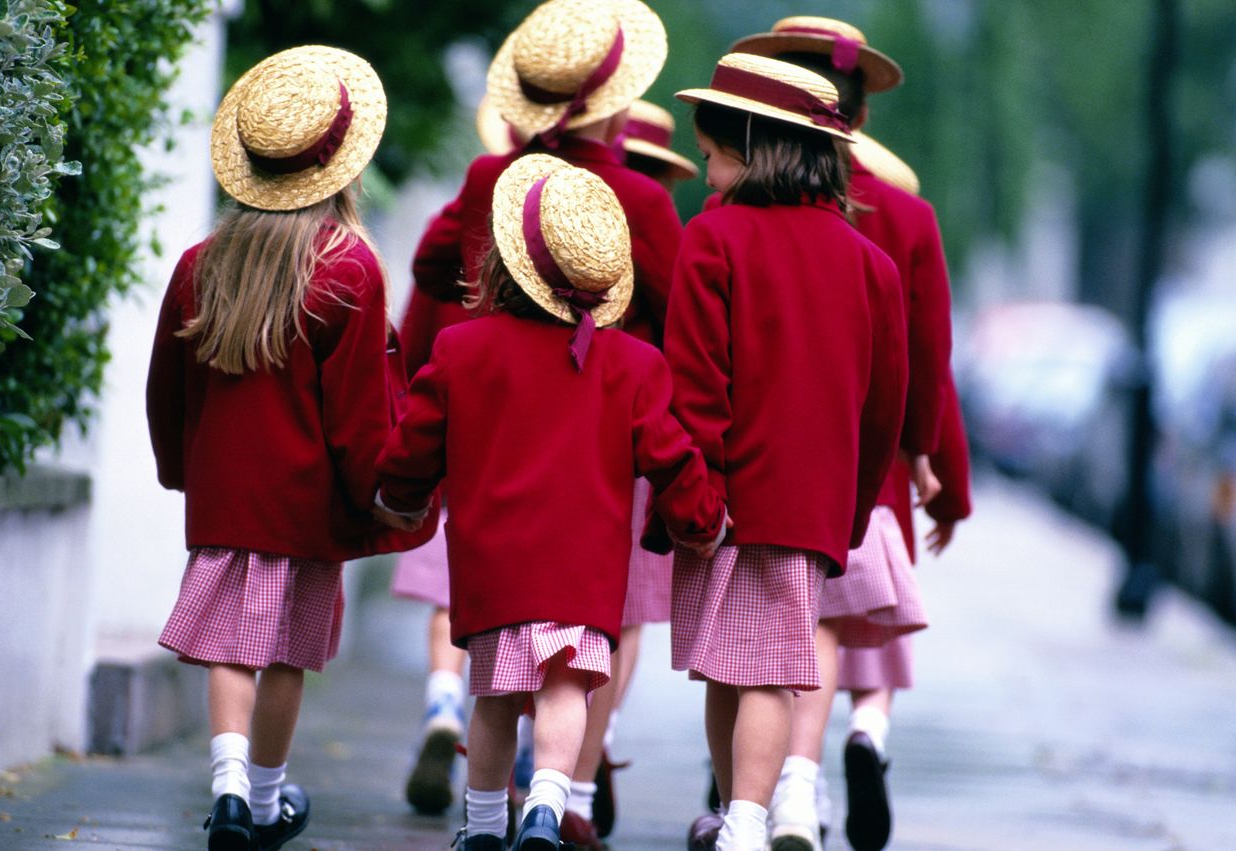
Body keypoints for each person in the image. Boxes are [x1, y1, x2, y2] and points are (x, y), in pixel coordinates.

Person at [374, 153, 729, 851]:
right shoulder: (634, 364)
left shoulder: (462, 347)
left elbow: (414, 445)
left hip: (497, 565)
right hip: (585, 570)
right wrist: (703, 521)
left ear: (507, 262)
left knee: (496, 698)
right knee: (567, 689)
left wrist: (396, 497)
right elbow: (670, 455)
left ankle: (481, 823)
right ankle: (546, 804)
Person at [395, 2, 680, 844]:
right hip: (607, 442)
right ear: (618, 104)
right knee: (594, 632)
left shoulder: (495, 180)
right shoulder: (643, 200)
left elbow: (427, 266)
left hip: (500, 433)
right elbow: (678, 322)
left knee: (495, 651)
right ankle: (570, 797)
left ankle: (486, 815)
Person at [146, 46, 435, 851]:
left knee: (230, 650)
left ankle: (229, 785)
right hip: (303, 505)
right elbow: (356, 418)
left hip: (224, 498)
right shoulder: (348, 269)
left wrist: (183, 472)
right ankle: (266, 800)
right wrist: (378, 497)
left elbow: (166, 391)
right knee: (282, 656)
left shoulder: (201, 265)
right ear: (339, 166)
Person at [664, 53, 908, 851]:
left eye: (710, 156)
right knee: (765, 664)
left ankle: (737, 818)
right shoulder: (871, 265)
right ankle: (741, 817)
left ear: (751, 147)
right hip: (809, 507)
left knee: (729, 669)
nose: (706, 174)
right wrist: (853, 506)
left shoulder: (712, 240)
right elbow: (884, 406)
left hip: (721, 498)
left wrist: (692, 498)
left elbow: (696, 386)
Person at [730, 17, 958, 851]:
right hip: (869, 458)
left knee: (771, 635)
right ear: (858, 115)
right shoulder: (906, 216)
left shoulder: (735, 207)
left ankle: (769, 789)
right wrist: (928, 461)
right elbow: (926, 359)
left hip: (757, 456)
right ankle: (803, 777)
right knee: (822, 621)